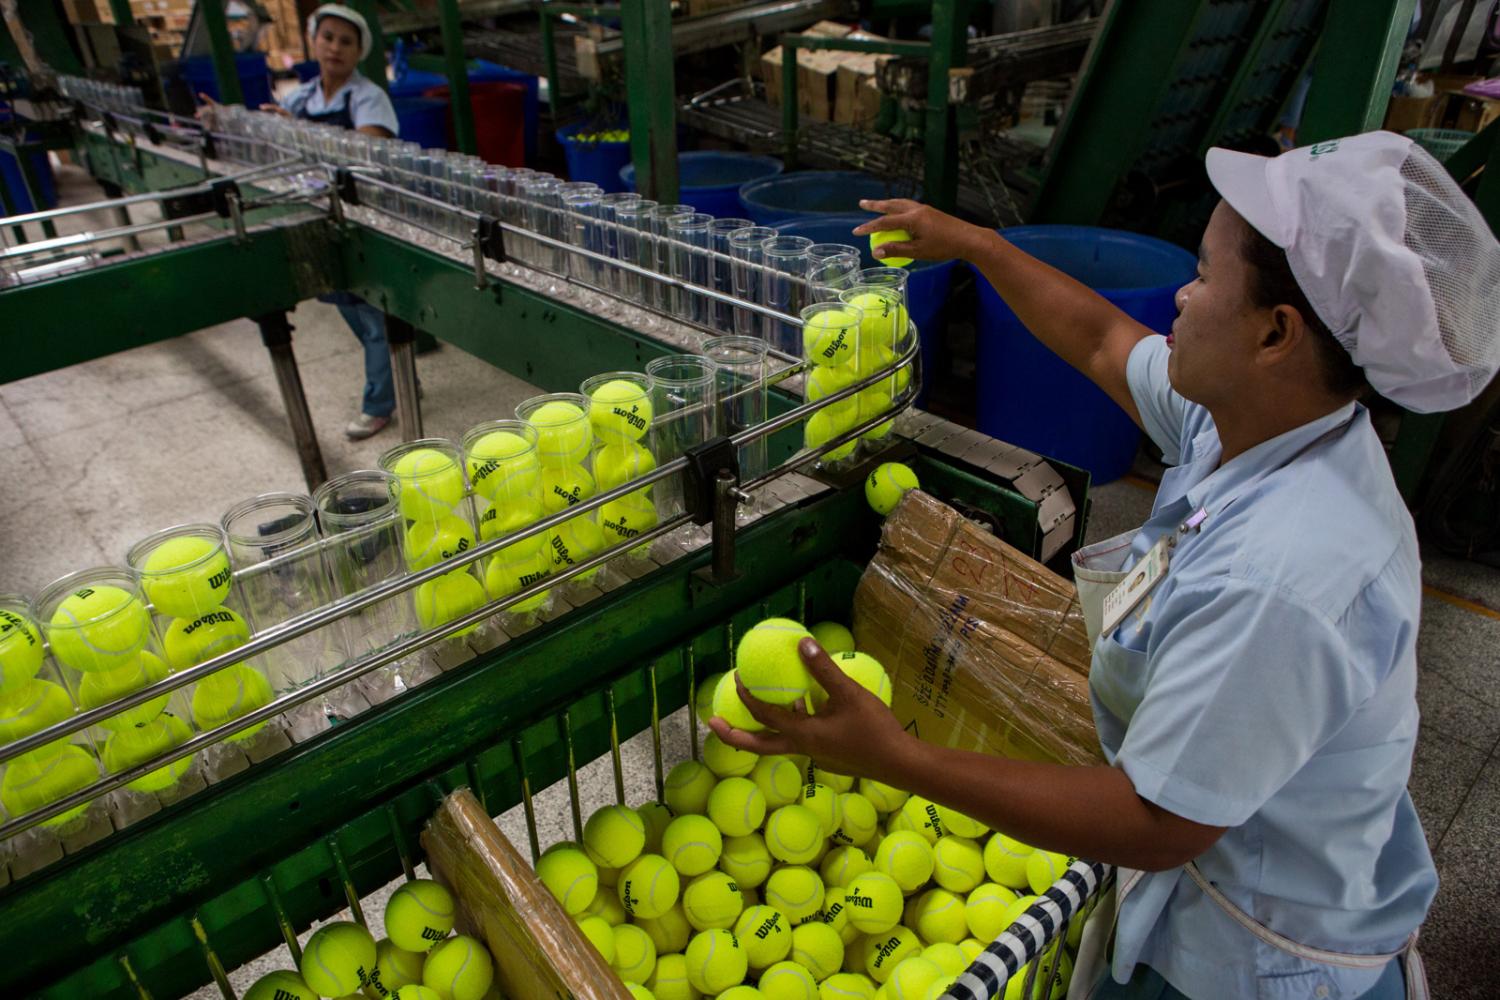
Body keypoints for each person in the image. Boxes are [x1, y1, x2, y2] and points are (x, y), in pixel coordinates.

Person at [710, 131, 1500, 999]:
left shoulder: (1286, 575)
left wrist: (896, 757)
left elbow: (1155, 821)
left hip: (1254, 961)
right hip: (1214, 874)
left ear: (1277, 333)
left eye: (1202, 276)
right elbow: (1097, 340)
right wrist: (978, 245)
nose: (1181, 299)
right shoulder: (1253, 421)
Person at [269, 3, 402, 440]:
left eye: (346, 41)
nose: (335, 48)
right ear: (314, 39)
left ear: (360, 51)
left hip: (364, 217)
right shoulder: (300, 99)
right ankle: (401, 378)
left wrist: (298, 133)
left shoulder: (369, 98)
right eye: (328, 37)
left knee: (374, 312)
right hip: (320, 215)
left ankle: (379, 403)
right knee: (351, 307)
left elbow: (365, 149)